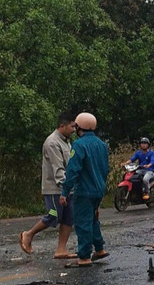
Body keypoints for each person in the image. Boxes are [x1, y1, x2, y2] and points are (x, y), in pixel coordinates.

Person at [18, 112, 77, 259]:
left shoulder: (66, 141)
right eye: (72, 126)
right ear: (62, 126)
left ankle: (61, 249)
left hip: (67, 187)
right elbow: (58, 169)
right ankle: (28, 234)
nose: (74, 129)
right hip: (55, 188)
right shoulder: (52, 142)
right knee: (53, 215)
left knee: (69, 218)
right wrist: (65, 188)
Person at [60, 112, 110, 267]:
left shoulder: (79, 145)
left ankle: (84, 256)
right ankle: (99, 248)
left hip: (84, 191)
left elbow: (72, 170)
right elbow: (106, 168)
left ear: (79, 127)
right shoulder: (102, 145)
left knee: (83, 222)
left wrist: (64, 192)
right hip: (99, 189)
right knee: (94, 219)